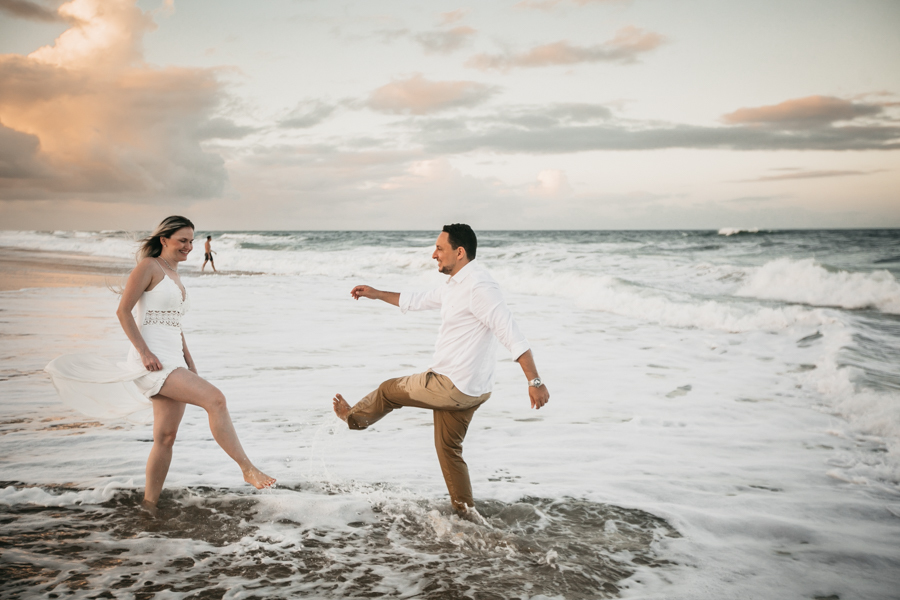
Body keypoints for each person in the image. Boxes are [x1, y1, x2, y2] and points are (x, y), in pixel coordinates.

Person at [46, 216, 274, 515]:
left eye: (192, 241)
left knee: (165, 437)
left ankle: (149, 504)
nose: (189, 247)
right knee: (216, 400)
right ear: (164, 239)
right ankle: (247, 468)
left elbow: (175, 325)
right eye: (183, 240)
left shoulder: (175, 273)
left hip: (173, 359)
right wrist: (144, 352)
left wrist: (190, 362)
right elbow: (123, 311)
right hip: (153, 361)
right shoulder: (149, 267)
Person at [333, 224, 549, 516]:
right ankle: (466, 515)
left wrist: (534, 380)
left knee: (388, 390)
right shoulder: (456, 285)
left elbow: (511, 333)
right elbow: (419, 300)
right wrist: (376, 293)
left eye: (440, 248)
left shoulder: (479, 288)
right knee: (449, 451)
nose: (434, 254)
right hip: (473, 390)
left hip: (451, 384)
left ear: (459, 253)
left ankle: (353, 418)